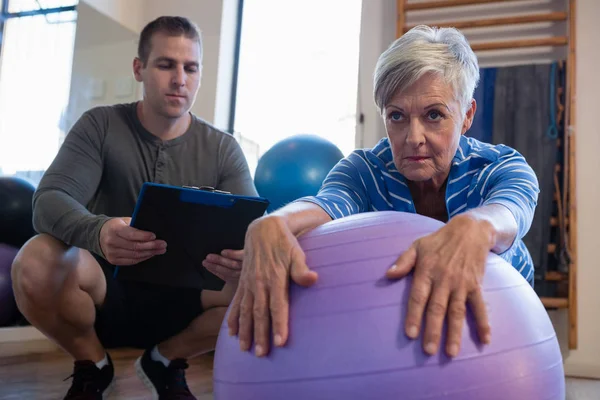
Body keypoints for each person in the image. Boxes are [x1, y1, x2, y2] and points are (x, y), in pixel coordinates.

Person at [213, 25, 540, 361]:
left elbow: (510, 209)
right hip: (395, 341)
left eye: (434, 115)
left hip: (502, 338)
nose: (414, 137)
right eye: (397, 116)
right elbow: (330, 204)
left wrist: (476, 227)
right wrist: (274, 223)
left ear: (467, 115)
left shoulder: (500, 167)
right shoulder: (364, 170)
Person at [11, 16, 255, 400]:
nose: (180, 79)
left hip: (190, 295)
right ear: (139, 68)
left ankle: (165, 361)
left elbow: (249, 232)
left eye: (190, 68)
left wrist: (244, 257)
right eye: (166, 64)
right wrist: (100, 231)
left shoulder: (223, 149)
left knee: (263, 279)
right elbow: (48, 200)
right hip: (103, 288)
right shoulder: (101, 125)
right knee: (35, 258)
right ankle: (93, 364)